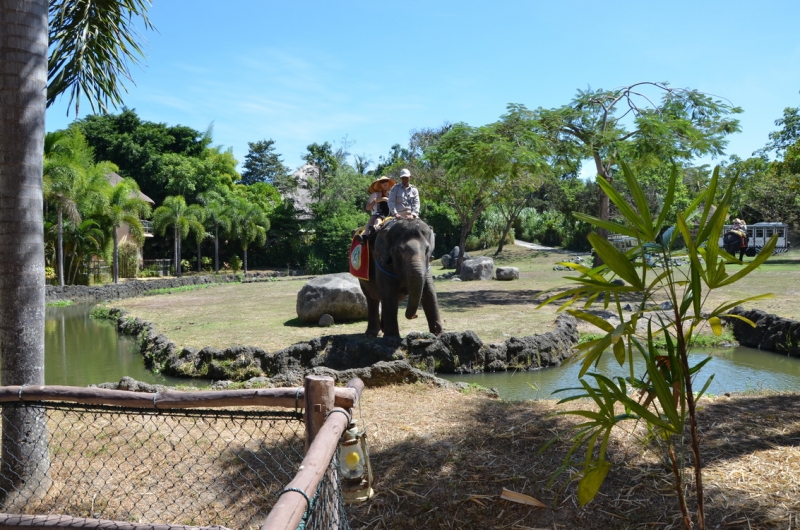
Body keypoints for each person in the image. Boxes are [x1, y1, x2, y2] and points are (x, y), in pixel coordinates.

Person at [358, 176, 395, 242]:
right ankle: (370, 231)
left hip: (392, 212)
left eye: (385, 181)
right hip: (383, 212)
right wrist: (382, 199)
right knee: (377, 219)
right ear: (380, 185)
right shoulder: (379, 193)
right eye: (382, 182)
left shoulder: (392, 193)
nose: (384, 183)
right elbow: (377, 200)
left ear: (388, 183)